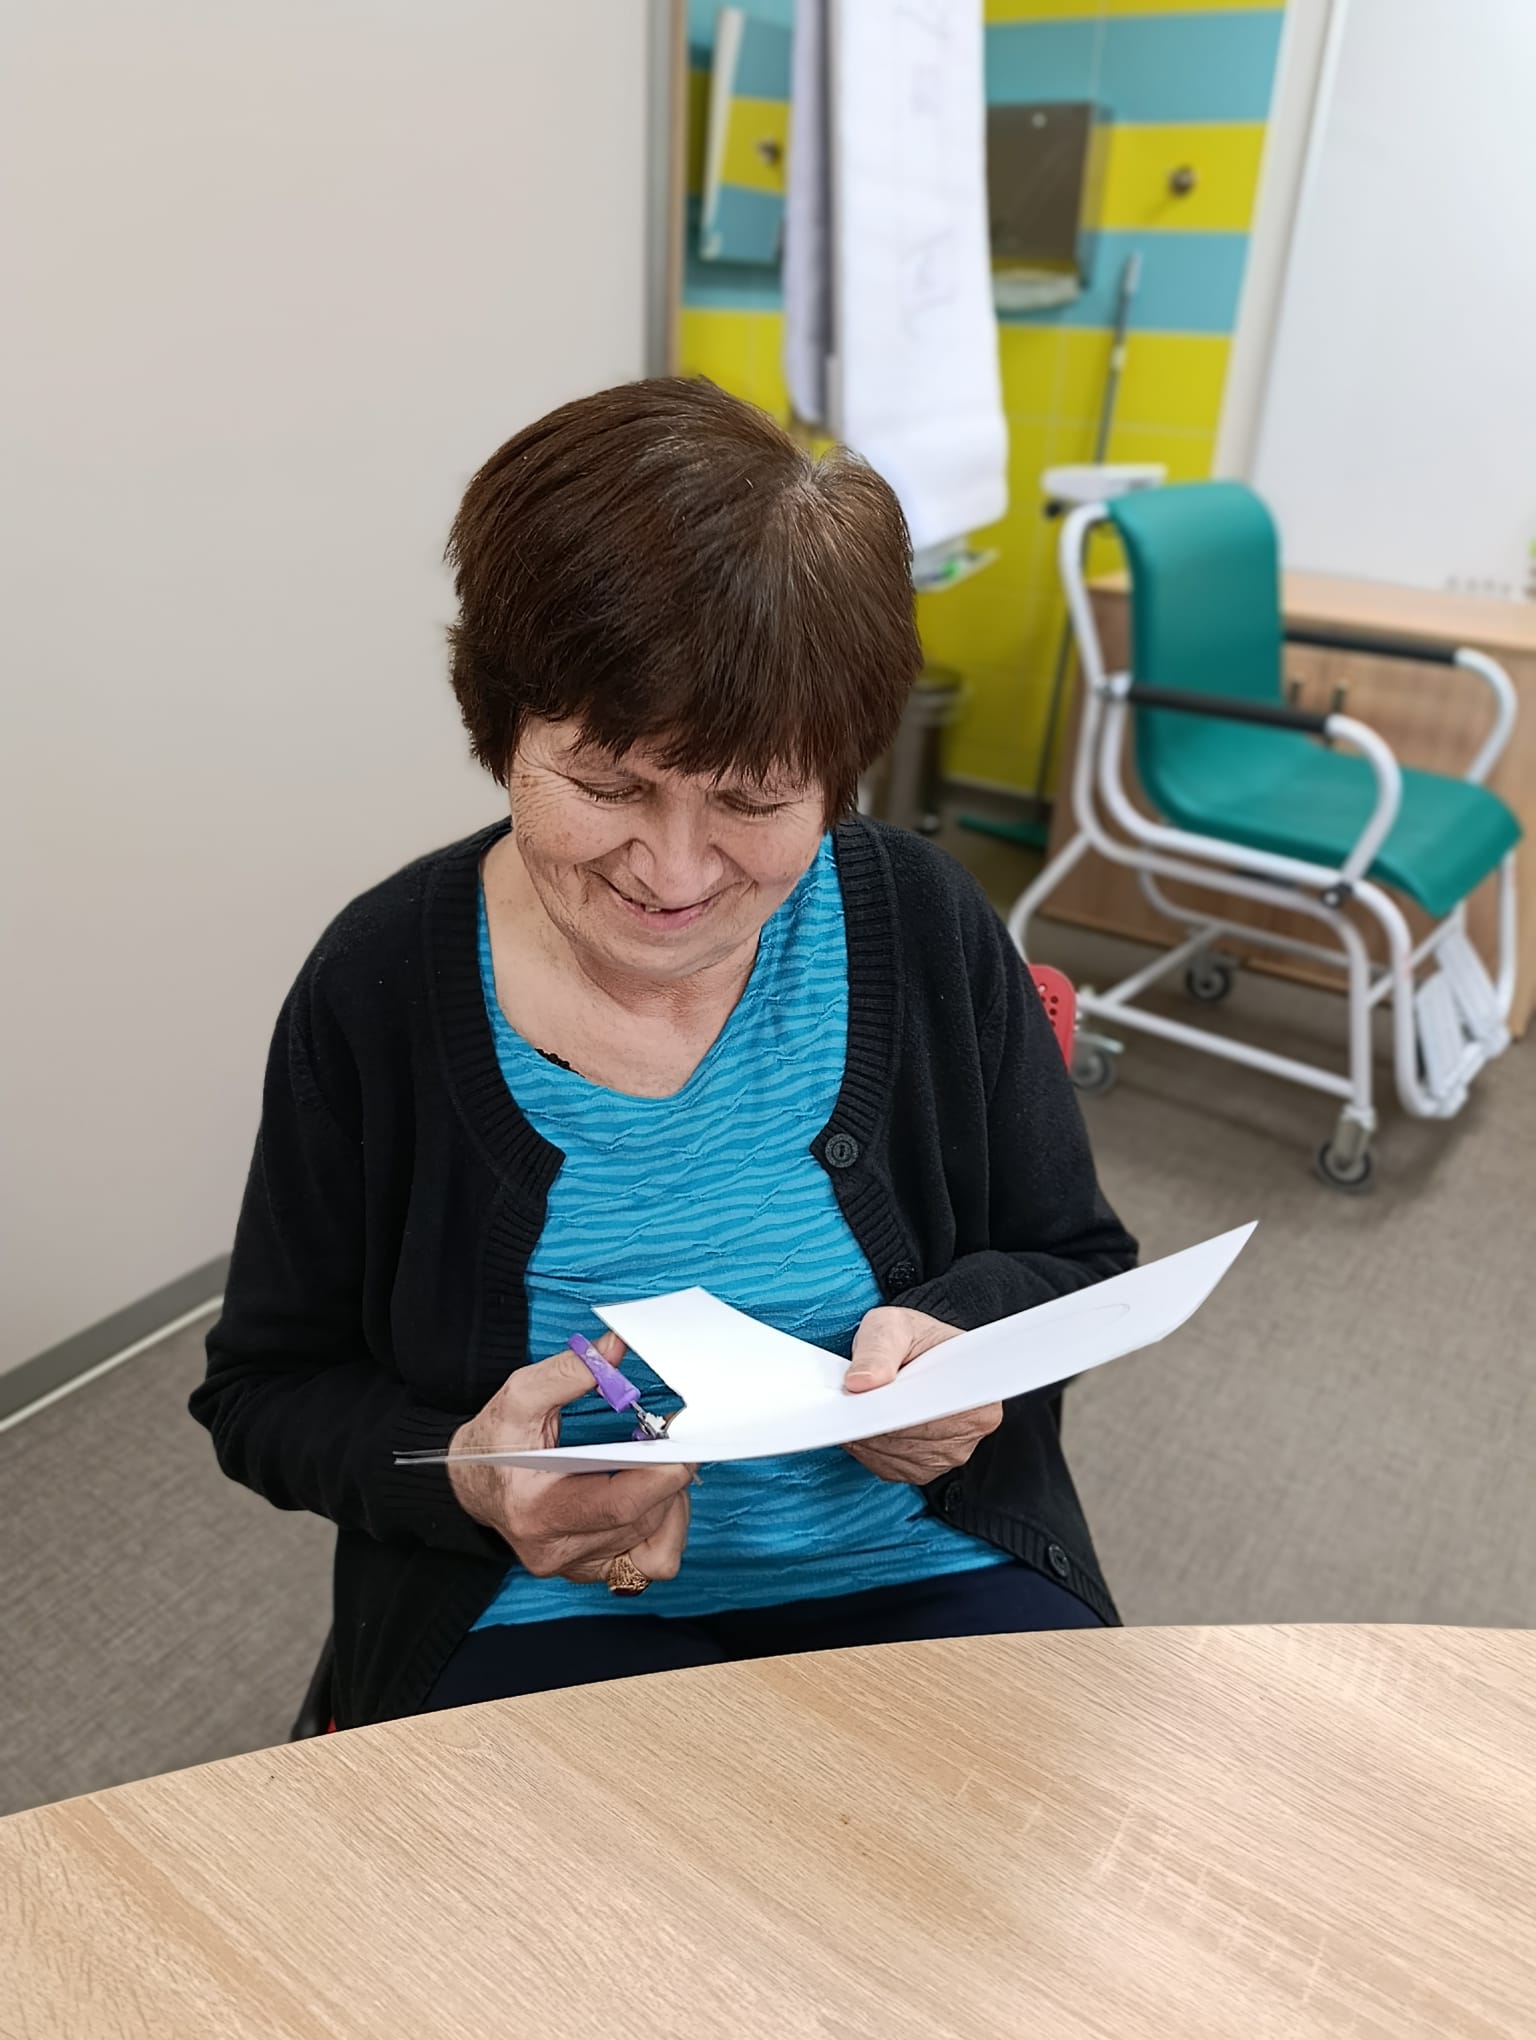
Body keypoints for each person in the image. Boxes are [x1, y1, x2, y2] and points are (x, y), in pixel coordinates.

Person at [191, 378, 1137, 1728]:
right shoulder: (380, 984)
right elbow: (264, 1393)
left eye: (755, 801)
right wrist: (468, 1476)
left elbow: (1078, 1260)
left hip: (921, 1565)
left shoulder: (919, 924)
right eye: (606, 785)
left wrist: (964, 1339)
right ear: (500, 731)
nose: (675, 874)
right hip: (539, 1607)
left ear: (838, 778)